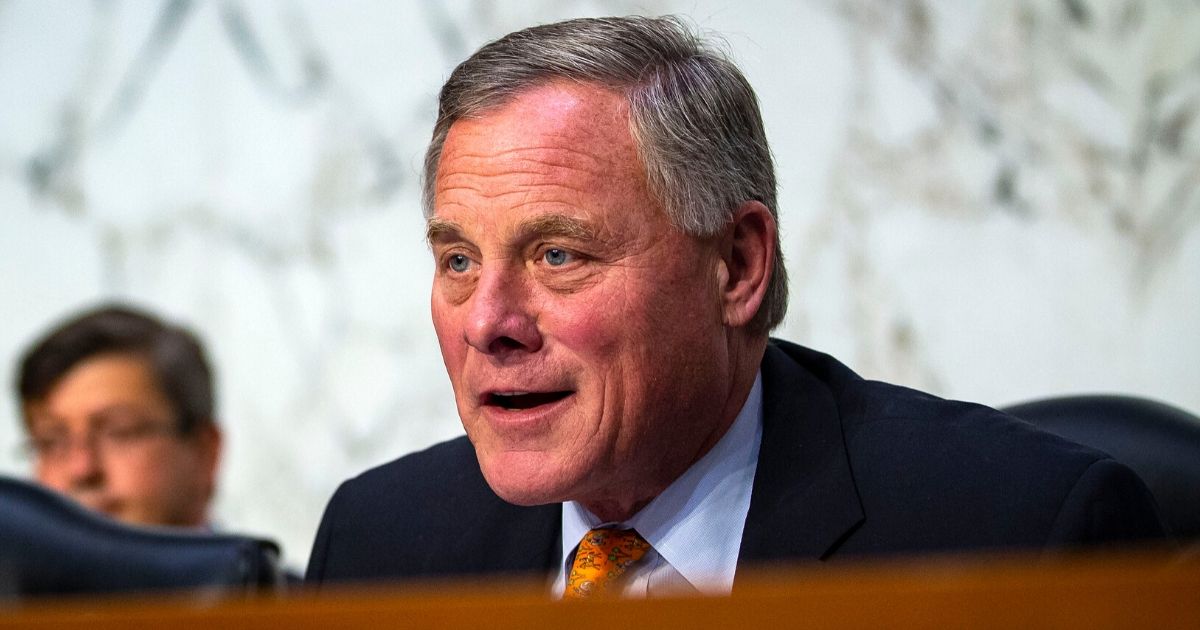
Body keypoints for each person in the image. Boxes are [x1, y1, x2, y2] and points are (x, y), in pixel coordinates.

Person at [306, 15, 1164, 596]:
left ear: (738, 266)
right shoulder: (379, 545)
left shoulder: (1020, 542)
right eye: (458, 258)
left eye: (557, 254)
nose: (487, 321)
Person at [15, 304, 222, 529]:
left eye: (118, 432)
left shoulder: (258, 563)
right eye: (51, 442)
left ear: (204, 453)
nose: (82, 469)